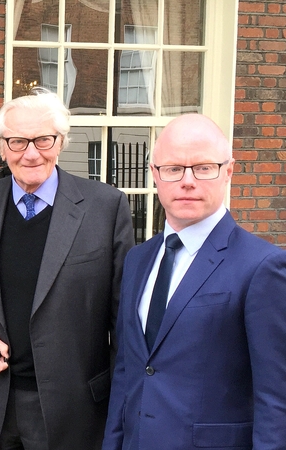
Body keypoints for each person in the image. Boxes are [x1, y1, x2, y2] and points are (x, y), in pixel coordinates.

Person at [0, 89, 135, 450]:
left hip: (72, 409)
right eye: (17, 141)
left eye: (43, 140)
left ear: (60, 142)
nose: (31, 153)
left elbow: (121, 317)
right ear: (2, 147)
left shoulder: (106, 207)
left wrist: (122, 404)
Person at [102, 114, 286, 450]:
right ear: (155, 174)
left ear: (228, 171)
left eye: (203, 168)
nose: (187, 181)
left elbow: (275, 396)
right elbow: (128, 371)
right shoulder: (138, 259)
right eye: (173, 168)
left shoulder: (262, 266)